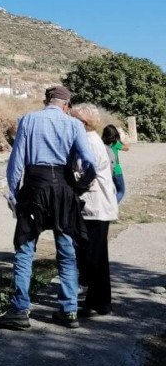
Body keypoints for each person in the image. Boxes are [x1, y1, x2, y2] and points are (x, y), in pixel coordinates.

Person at [0, 86, 96, 330]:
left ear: (45, 101)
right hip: (63, 188)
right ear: (66, 104)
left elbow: (17, 160)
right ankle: (68, 311)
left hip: (34, 187)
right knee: (66, 251)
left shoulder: (29, 119)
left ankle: (20, 310)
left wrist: (14, 195)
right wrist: (79, 188)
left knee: (25, 248)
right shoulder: (74, 125)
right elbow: (89, 163)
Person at [72, 105, 118, 317]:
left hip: (95, 206)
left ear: (83, 123)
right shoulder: (93, 140)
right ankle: (100, 302)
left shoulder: (89, 143)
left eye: (73, 120)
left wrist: (74, 186)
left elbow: (86, 172)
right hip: (97, 206)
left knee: (92, 256)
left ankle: (96, 301)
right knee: (97, 256)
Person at [102, 124, 129, 203]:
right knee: (121, 191)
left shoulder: (101, 143)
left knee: (110, 190)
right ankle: (112, 206)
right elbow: (127, 148)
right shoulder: (115, 144)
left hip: (106, 170)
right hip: (116, 170)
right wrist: (121, 139)